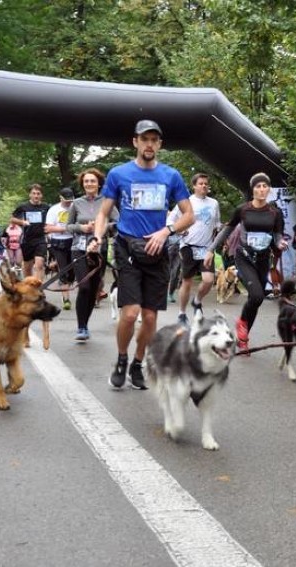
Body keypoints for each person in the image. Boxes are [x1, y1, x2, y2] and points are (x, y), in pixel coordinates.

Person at [91, 119, 194, 390]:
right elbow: (103, 213)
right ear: (135, 142)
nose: (149, 144)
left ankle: (138, 363)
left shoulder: (171, 176)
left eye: (154, 140)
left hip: (157, 251)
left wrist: (165, 231)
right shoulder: (118, 174)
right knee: (129, 314)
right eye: (144, 139)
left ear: (159, 144)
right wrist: (97, 237)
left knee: (149, 318)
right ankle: (122, 359)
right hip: (128, 249)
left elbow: (189, 215)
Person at [205, 173, 288, 352]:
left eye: (264, 186)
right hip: (244, 257)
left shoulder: (275, 213)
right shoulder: (243, 209)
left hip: (263, 259)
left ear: (269, 189)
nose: (261, 190)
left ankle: (243, 337)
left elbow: (278, 235)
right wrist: (211, 249)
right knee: (257, 295)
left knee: (254, 300)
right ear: (253, 189)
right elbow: (227, 230)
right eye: (258, 186)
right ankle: (242, 325)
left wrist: (281, 242)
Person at [67, 168, 118, 341]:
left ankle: (85, 324)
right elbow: (68, 226)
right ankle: (81, 327)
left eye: (93, 181)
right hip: (79, 248)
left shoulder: (107, 201)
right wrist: (82, 228)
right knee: (84, 287)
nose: (89, 184)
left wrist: (101, 227)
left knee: (93, 289)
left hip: (98, 250)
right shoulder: (77, 203)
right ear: (82, 184)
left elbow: (117, 223)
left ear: (98, 184)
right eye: (86, 181)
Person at [171, 172, 221, 326]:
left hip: (206, 248)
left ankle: (197, 301)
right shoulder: (186, 202)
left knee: (208, 280)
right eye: (200, 183)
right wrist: (179, 230)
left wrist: (218, 235)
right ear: (194, 186)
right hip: (188, 246)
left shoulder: (214, 203)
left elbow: (218, 224)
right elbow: (171, 220)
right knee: (187, 281)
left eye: (206, 183)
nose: (204, 186)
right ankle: (182, 313)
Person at [10, 183, 51, 279]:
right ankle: (28, 286)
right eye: (34, 193)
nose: (36, 196)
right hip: (27, 239)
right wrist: (22, 222)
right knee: (27, 267)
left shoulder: (46, 207)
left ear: (41, 195)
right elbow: (12, 219)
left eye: (38, 193)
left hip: (41, 239)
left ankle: (39, 288)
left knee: (39, 264)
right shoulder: (23, 207)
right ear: (30, 195)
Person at [46, 187, 76, 310]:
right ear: (60, 198)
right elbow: (48, 228)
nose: (69, 202)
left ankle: (66, 284)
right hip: (58, 243)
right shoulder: (53, 210)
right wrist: (67, 228)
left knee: (73, 271)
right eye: (66, 200)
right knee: (63, 270)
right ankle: (66, 298)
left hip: (73, 241)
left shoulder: (75, 207)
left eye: (70, 200)